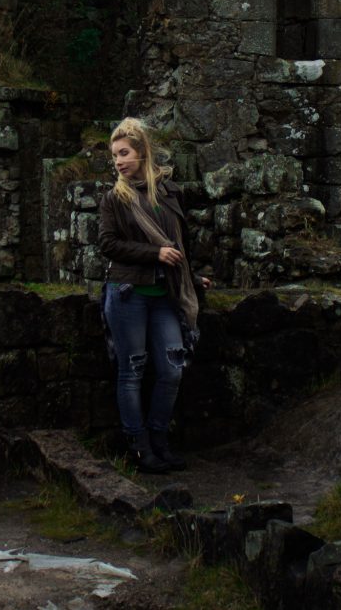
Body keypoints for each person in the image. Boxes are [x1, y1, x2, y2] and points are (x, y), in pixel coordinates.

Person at [98, 117, 211, 473]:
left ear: (142, 152)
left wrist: (192, 276)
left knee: (172, 370)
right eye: (115, 156)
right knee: (131, 371)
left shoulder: (169, 192)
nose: (118, 162)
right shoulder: (114, 198)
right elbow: (108, 244)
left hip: (166, 294)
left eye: (124, 153)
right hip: (128, 293)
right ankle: (140, 448)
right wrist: (155, 254)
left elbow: (180, 243)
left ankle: (160, 440)